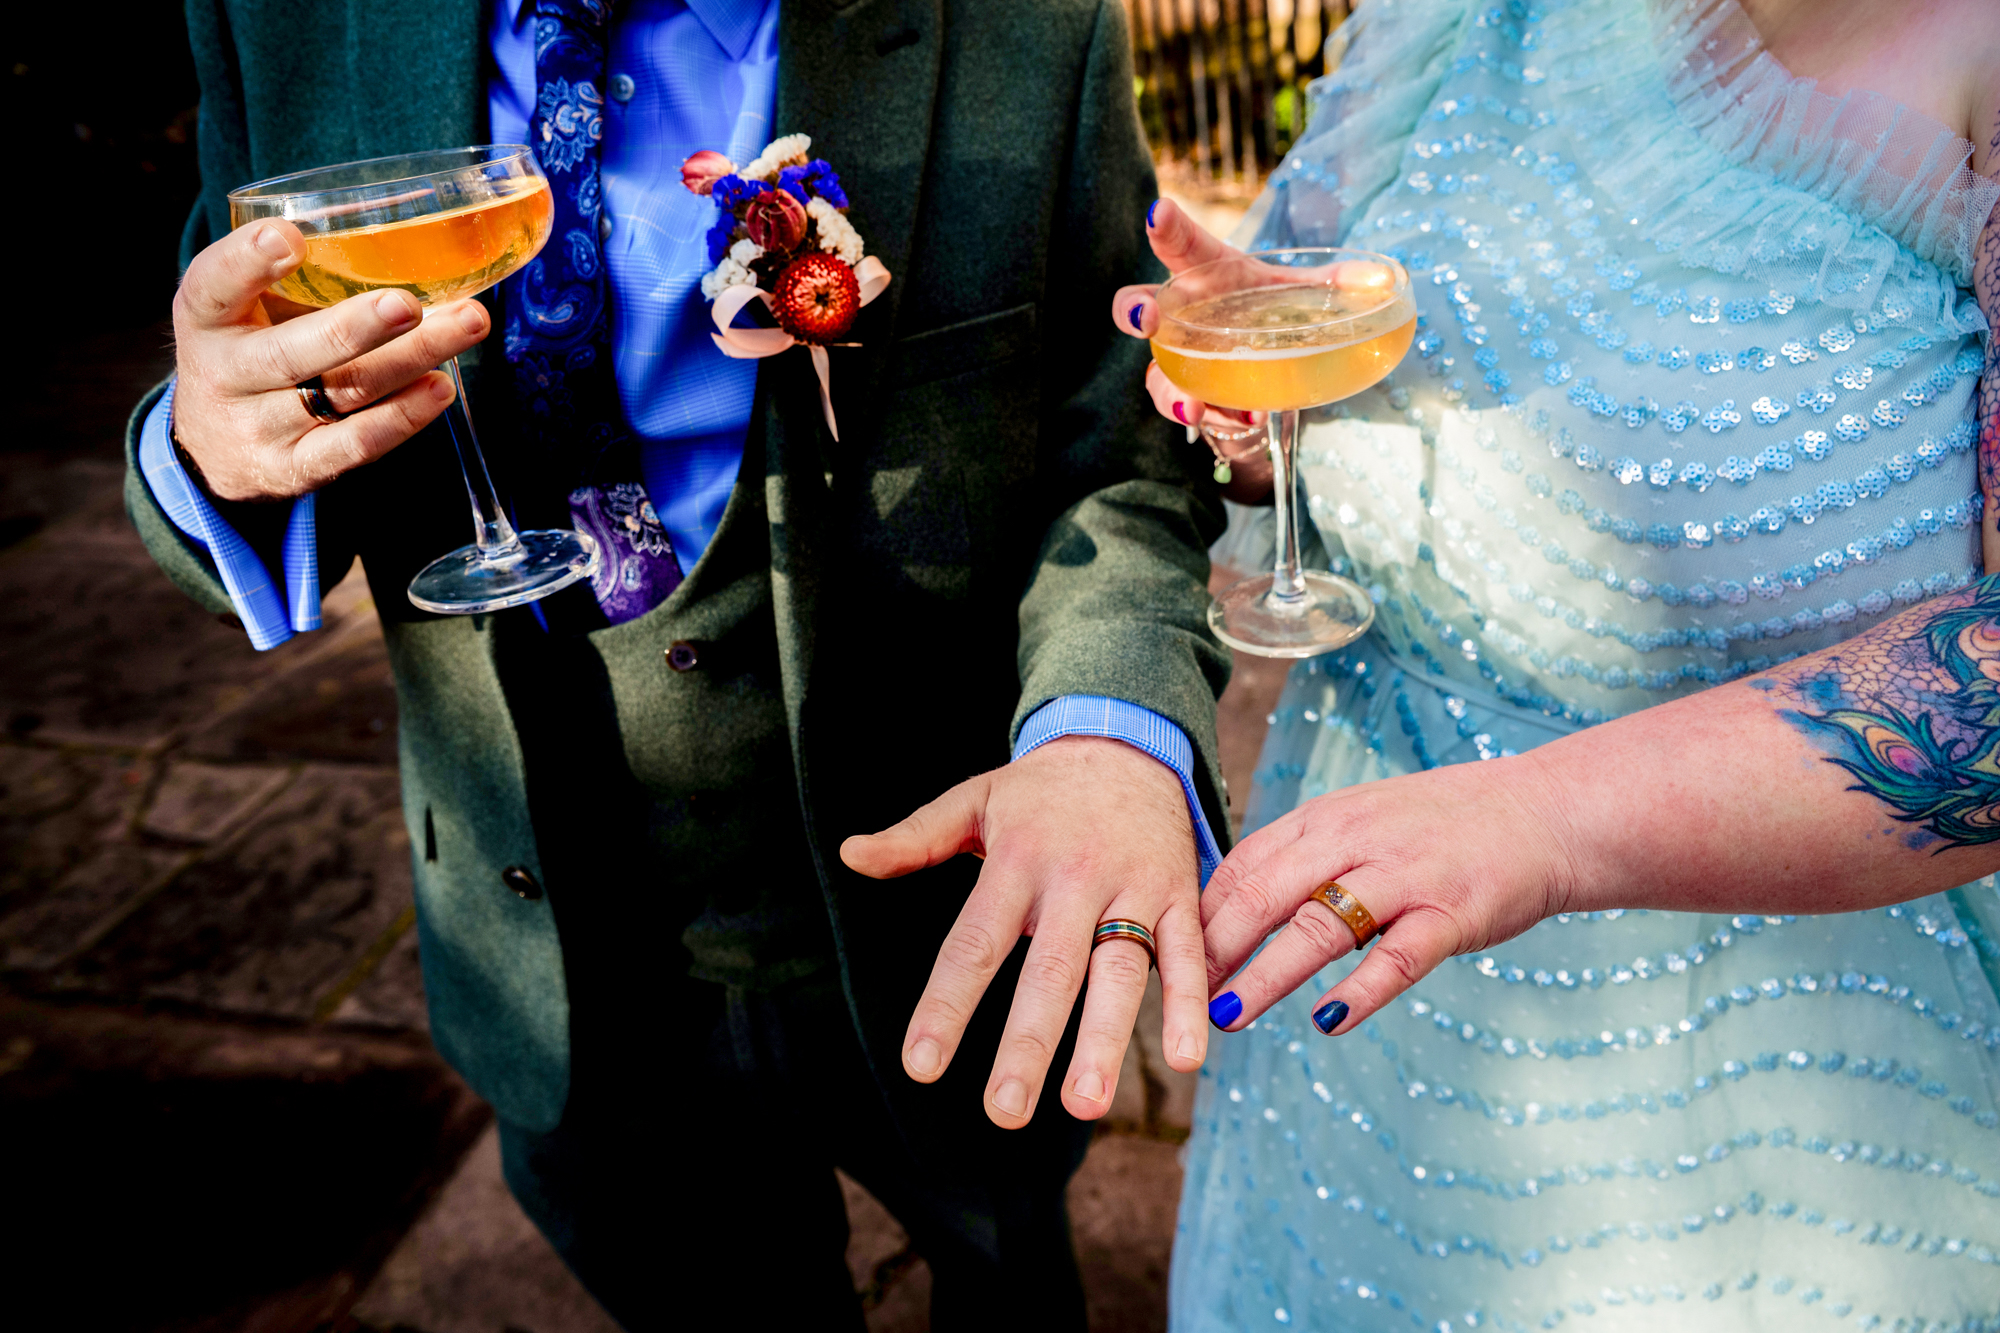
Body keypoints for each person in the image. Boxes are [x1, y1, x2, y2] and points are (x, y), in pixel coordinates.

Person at [128, 1, 1231, 1327]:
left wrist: (1107, 728)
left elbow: (1117, 447)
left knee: (1012, 1277)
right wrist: (208, 455)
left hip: (955, 902)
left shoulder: (1027, 21)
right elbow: (244, 371)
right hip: (564, 952)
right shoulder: (274, 17)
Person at [1116, 0, 2000, 1327]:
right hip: (1351, 1034)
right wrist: (1261, 410)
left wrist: (1539, 817)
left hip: (1772, 1123)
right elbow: (1312, 355)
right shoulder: (1460, 22)